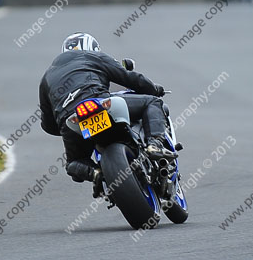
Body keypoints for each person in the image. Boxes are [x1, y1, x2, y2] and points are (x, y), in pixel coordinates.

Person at [39, 32, 175, 185]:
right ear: (92, 47)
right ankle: (154, 145)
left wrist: (70, 127)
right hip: (98, 102)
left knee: (74, 163)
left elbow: (48, 125)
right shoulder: (92, 56)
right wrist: (154, 89)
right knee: (152, 103)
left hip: (71, 119)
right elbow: (129, 78)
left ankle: (95, 173)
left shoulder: (46, 77)